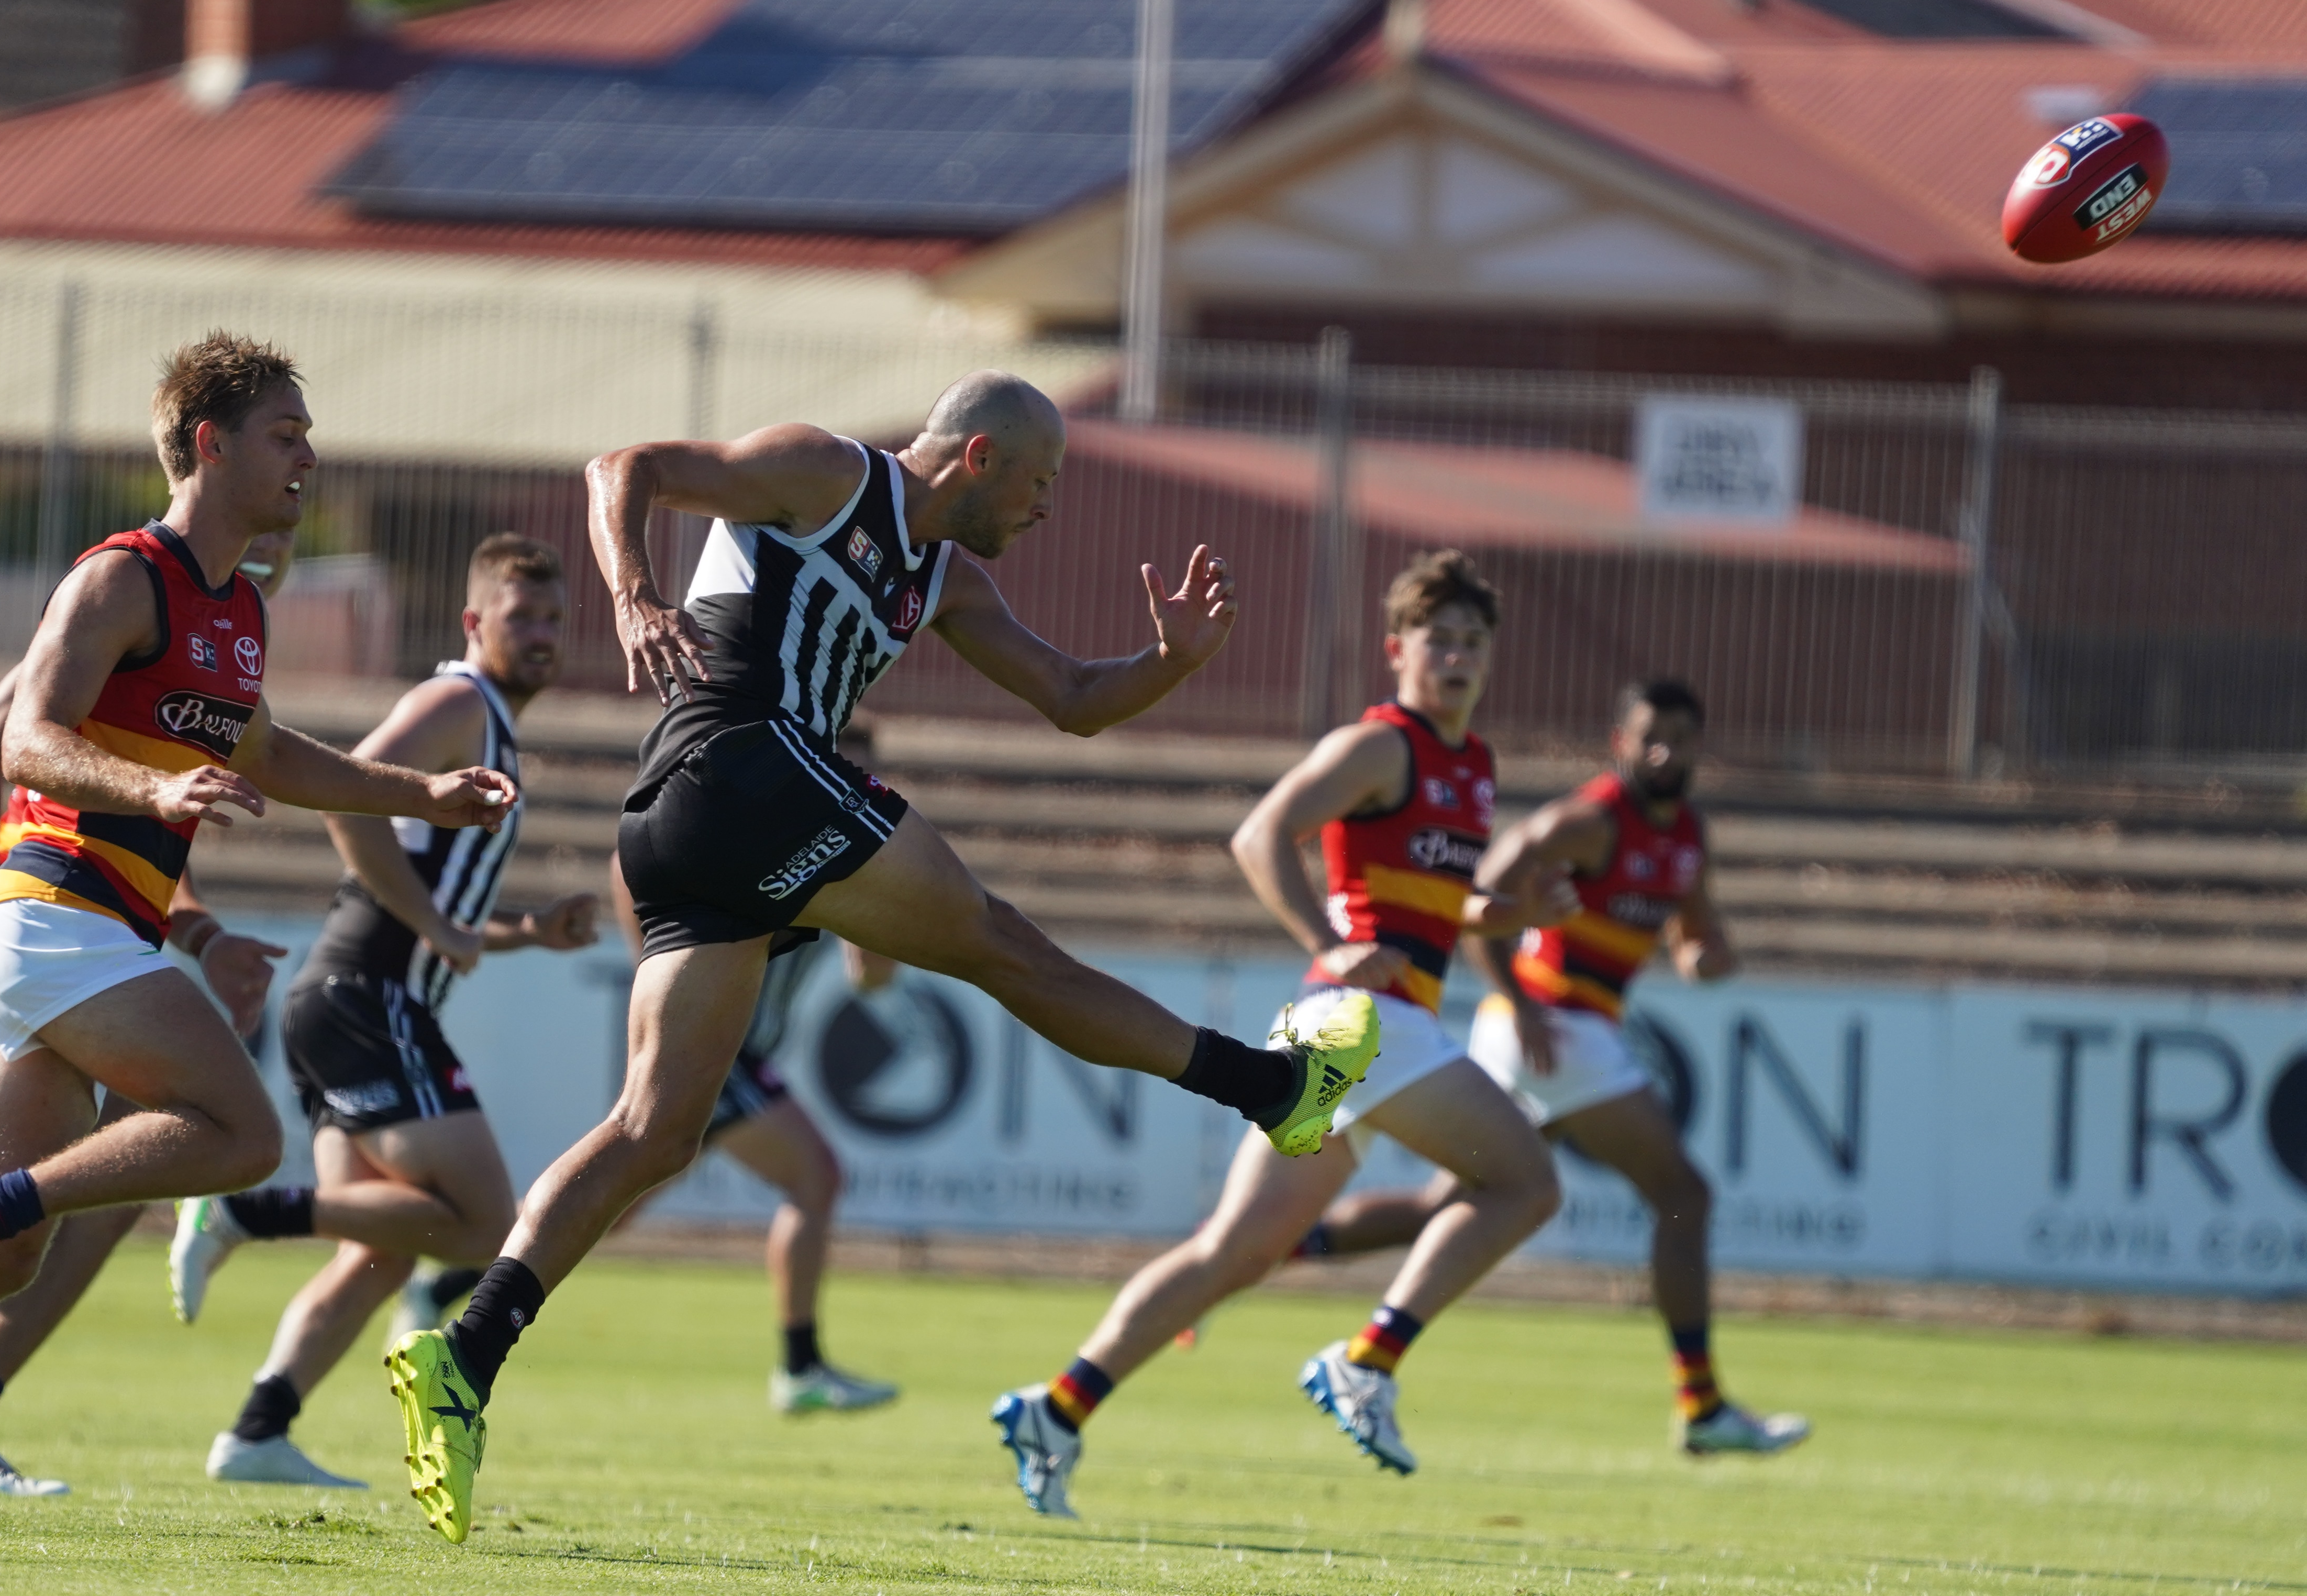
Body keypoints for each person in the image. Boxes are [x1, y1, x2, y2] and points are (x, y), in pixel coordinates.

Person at [384, 369, 1382, 1544]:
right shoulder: (828, 472)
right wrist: (633, 594)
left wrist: (1174, 663)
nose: (1048, 509)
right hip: (741, 763)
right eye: (1042, 483)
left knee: (657, 1129)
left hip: (680, 823)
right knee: (1008, 949)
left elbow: (1070, 697)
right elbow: (624, 468)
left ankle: (465, 1353)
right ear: (978, 461)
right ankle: (1272, 1089)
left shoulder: (947, 577)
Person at [0, 332, 516, 1369]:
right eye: (287, 435)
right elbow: (21, 741)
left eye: (308, 437)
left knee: (9, 1250)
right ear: (212, 445)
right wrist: (153, 785)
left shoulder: (237, 609)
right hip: (56, 917)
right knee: (244, 1139)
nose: (308, 459)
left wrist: (421, 792)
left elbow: (273, 754)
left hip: (86, 936)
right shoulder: (120, 578)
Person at [992, 551, 1567, 1516]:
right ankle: (1368, 1360)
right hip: (1363, 1021)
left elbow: (1435, 902)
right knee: (1524, 1181)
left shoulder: (1472, 765)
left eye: (1475, 641)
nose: (1459, 656)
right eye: (1440, 640)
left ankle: (1056, 1407)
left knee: (1234, 1255)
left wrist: (1511, 910)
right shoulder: (1382, 744)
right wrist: (1327, 941)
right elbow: (1260, 833)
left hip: (1363, 1028)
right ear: (1398, 651)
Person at [168, 534, 599, 1487]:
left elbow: (439, 912)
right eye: (519, 616)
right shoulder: (458, 701)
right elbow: (349, 798)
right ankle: (244, 1210)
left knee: (380, 1252)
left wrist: (528, 930)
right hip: (368, 994)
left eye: (554, 619)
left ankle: (257, 1429)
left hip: (352, 995)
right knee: (485, 1224)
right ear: (473, 623)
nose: (541, 635)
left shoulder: (491, 723)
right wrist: (438, 924)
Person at [1296, 681, 1811, 1456]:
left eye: (1682, 736)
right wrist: (1518, 999)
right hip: (1553, 1026)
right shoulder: (1589, 820)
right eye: (1651, 736)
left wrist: (1706, 955)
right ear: (1621, 743)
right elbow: (1481, 892)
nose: (1666, 751)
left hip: (1565, 1032)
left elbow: (1695, 933)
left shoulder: (1689, 837)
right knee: (1683, 1193)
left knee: (1449, 1203)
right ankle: (1701, 1407)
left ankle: (1260, 1246)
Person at [0, 528, 298, 1495]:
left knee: (8, 1230)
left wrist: (208, 940)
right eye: (267, 532)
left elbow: (137, 832)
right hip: (11, 929)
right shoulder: (124, 600)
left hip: (55, 930)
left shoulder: (220, 640)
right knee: (1, 1209)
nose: (272, 552)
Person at [603, 807, 901, 1415]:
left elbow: (870, 979)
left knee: (612, 1203)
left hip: (736, 1047)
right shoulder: (774, 827)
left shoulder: (842, 848)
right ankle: (799, 1368)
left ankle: (451, 1280)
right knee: (815, 1176)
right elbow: (628, 858)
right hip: (718, 1043)